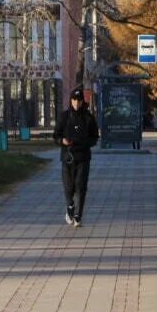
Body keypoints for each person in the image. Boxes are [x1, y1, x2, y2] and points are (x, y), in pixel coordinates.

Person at [53, 86, 99, 227]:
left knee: (81, 186)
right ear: (70, 100)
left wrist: (85, 143)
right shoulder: (64, 116)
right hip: (67, 157)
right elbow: (56, 135)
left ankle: (79, 214)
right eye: (74, 100)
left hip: (83, 157)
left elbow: (95, 138)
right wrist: (62, 141)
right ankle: (70, 206)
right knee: (68, 187)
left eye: (79, 100)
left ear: (82, 101)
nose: (76, 103)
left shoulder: (88, 118)